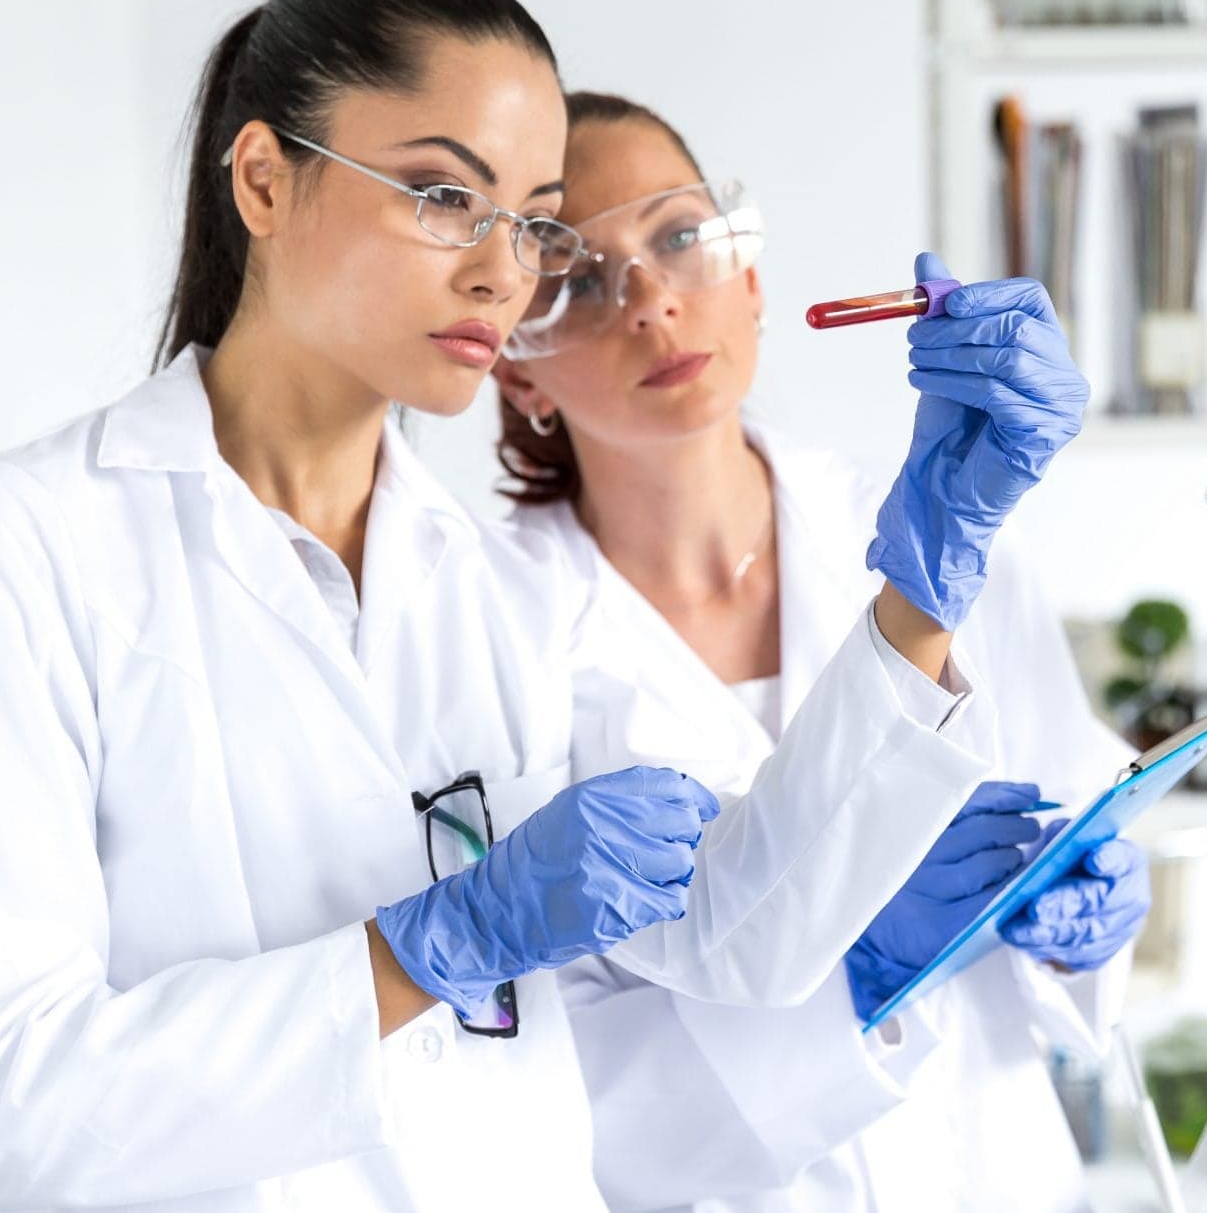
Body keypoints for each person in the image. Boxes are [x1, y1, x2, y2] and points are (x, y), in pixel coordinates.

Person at [0, 0, 1090, 1210]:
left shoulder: (495, 591)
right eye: (443, 195)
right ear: (262, 178)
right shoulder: (29, 542)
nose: (498, 270)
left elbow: (743, 931)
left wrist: (927, 575)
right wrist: (428, 950)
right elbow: (11, 1104)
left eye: (529, 221)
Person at [490, 92, 1149, 1211]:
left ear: (747, 276)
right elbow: (550, 1093)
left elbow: (1071, 799)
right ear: (516, 372)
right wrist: (855, 977)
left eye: (678, 238)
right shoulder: (491, 630)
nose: (649, 300)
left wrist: (1081, 922)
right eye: (579, 280)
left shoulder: (940, 525)